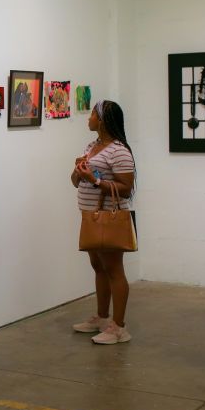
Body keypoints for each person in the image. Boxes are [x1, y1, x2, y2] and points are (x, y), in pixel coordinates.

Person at [70, 100, 137, 344]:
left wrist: (96, 181)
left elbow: (126, 189)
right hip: (90, 216)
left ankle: (119, 327)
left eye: (92, 114)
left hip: (108, 218)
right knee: (98, 266)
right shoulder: (92, 145)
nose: (88, 118)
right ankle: (101, 317)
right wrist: (79, 171)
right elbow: (75, 181)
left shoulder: (119, 150)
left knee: (113, 269)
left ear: (103, 120)